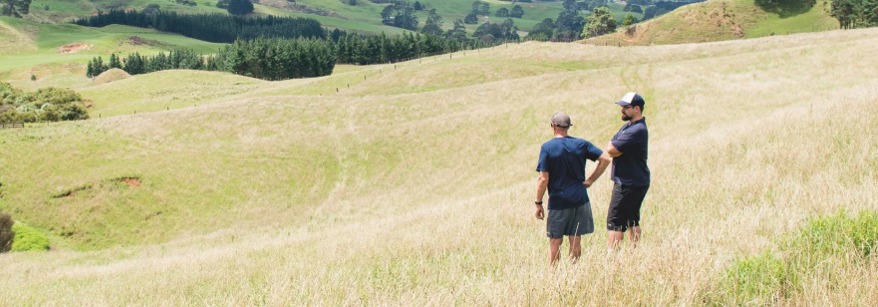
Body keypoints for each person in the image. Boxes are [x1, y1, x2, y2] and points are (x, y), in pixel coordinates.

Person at [535, 112, 611, 266]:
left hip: (558, 201)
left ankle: (555, 276)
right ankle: (574, 272)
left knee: (555, 241)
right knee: (575, 239)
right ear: (568, 127)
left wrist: (538, 202)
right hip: (580, 199)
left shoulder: (547, 147)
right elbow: (605, 158)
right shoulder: (581, 144)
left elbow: (543, 179)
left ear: (553, 126)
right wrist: (590, 180)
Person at [605, 92, 651, 253]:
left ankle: (612, 260)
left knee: (615, 221)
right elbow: (613, 146)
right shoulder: (629, 126)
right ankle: (634, 252)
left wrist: (615, 148)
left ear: (637, 109)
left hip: (627, 183)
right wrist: (615, 148)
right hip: (636, 180)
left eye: (626, 107)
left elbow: (611, 149)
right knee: (632, 219)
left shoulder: (636, 130)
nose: (622, 110)